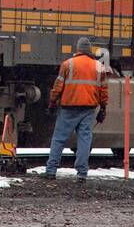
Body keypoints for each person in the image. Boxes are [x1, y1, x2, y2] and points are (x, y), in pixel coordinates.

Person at [42, 37, 108, 181]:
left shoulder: (68, 64)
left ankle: (51, 171)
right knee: (84, 140)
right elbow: (103, 90)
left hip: (69, 108)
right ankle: (82, 174)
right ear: (89, 49)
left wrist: (52, 102)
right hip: (88, 109)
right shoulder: (99, 66)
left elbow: (58, 86)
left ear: (78, 49)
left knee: (59, 139)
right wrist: (103, 107)